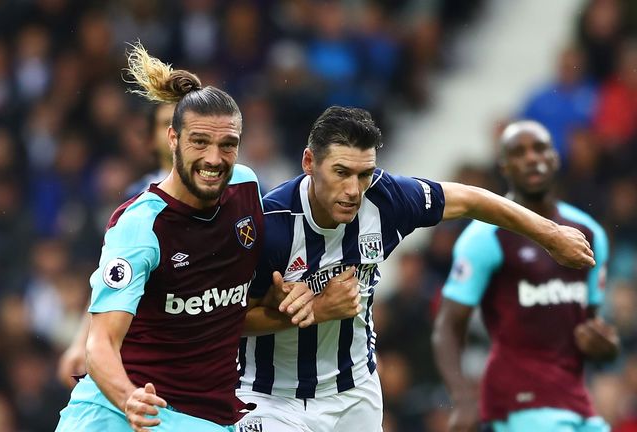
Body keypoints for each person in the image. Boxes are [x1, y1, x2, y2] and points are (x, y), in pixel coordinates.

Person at [235, 108, 596, 432]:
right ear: (309, 162)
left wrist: (550, 234)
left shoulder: (387, 198)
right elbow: (223, 320)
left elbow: (471, 199)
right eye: (341, 172)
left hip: (355, 391)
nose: (352, 190)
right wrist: (315, 311)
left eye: (364, 174)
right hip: (271, 397)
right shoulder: (271, 226)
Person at [55, 43, 266, 432]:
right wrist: (127, 398)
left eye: (227, 145)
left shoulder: (248, 189)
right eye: (199, 142)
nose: (214, 159)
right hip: (119, 412)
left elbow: (243, 308)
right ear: (172, 139)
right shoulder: (139, 226)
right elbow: (100, 343)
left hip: (203, 418)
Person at [431, 120, 619, 432]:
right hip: (517, 403)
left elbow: (590, 329)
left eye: (540, 148)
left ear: (555, 158)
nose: (532, 158)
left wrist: (606, 347)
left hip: (575, 402)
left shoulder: (590, 233)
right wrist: (463, 400)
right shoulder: (484, 237)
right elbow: (449, 325)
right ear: (504, 166)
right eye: (519, 152)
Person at [56, 102, 176, 389]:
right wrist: (81, 342)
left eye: (182, 122)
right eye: (165, 124)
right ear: (148, 138)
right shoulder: (136, 200)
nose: (175, 131)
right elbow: (112, 277)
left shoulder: (235, 187)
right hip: (151, 339)